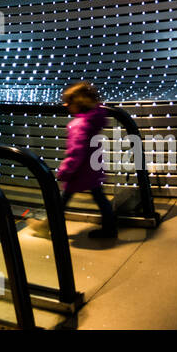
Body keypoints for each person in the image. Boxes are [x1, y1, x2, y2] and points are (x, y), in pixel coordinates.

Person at [57, 81, 118, 239]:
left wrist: (65, 170)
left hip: (79, 170)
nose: (66, 106)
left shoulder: (79, 125)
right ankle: (110, 228)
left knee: (63, 198)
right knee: (99, 197)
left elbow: (76, 152)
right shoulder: (93, 121)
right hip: (93, 167)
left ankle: (51, 224)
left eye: (68, 103)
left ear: (77, 104)